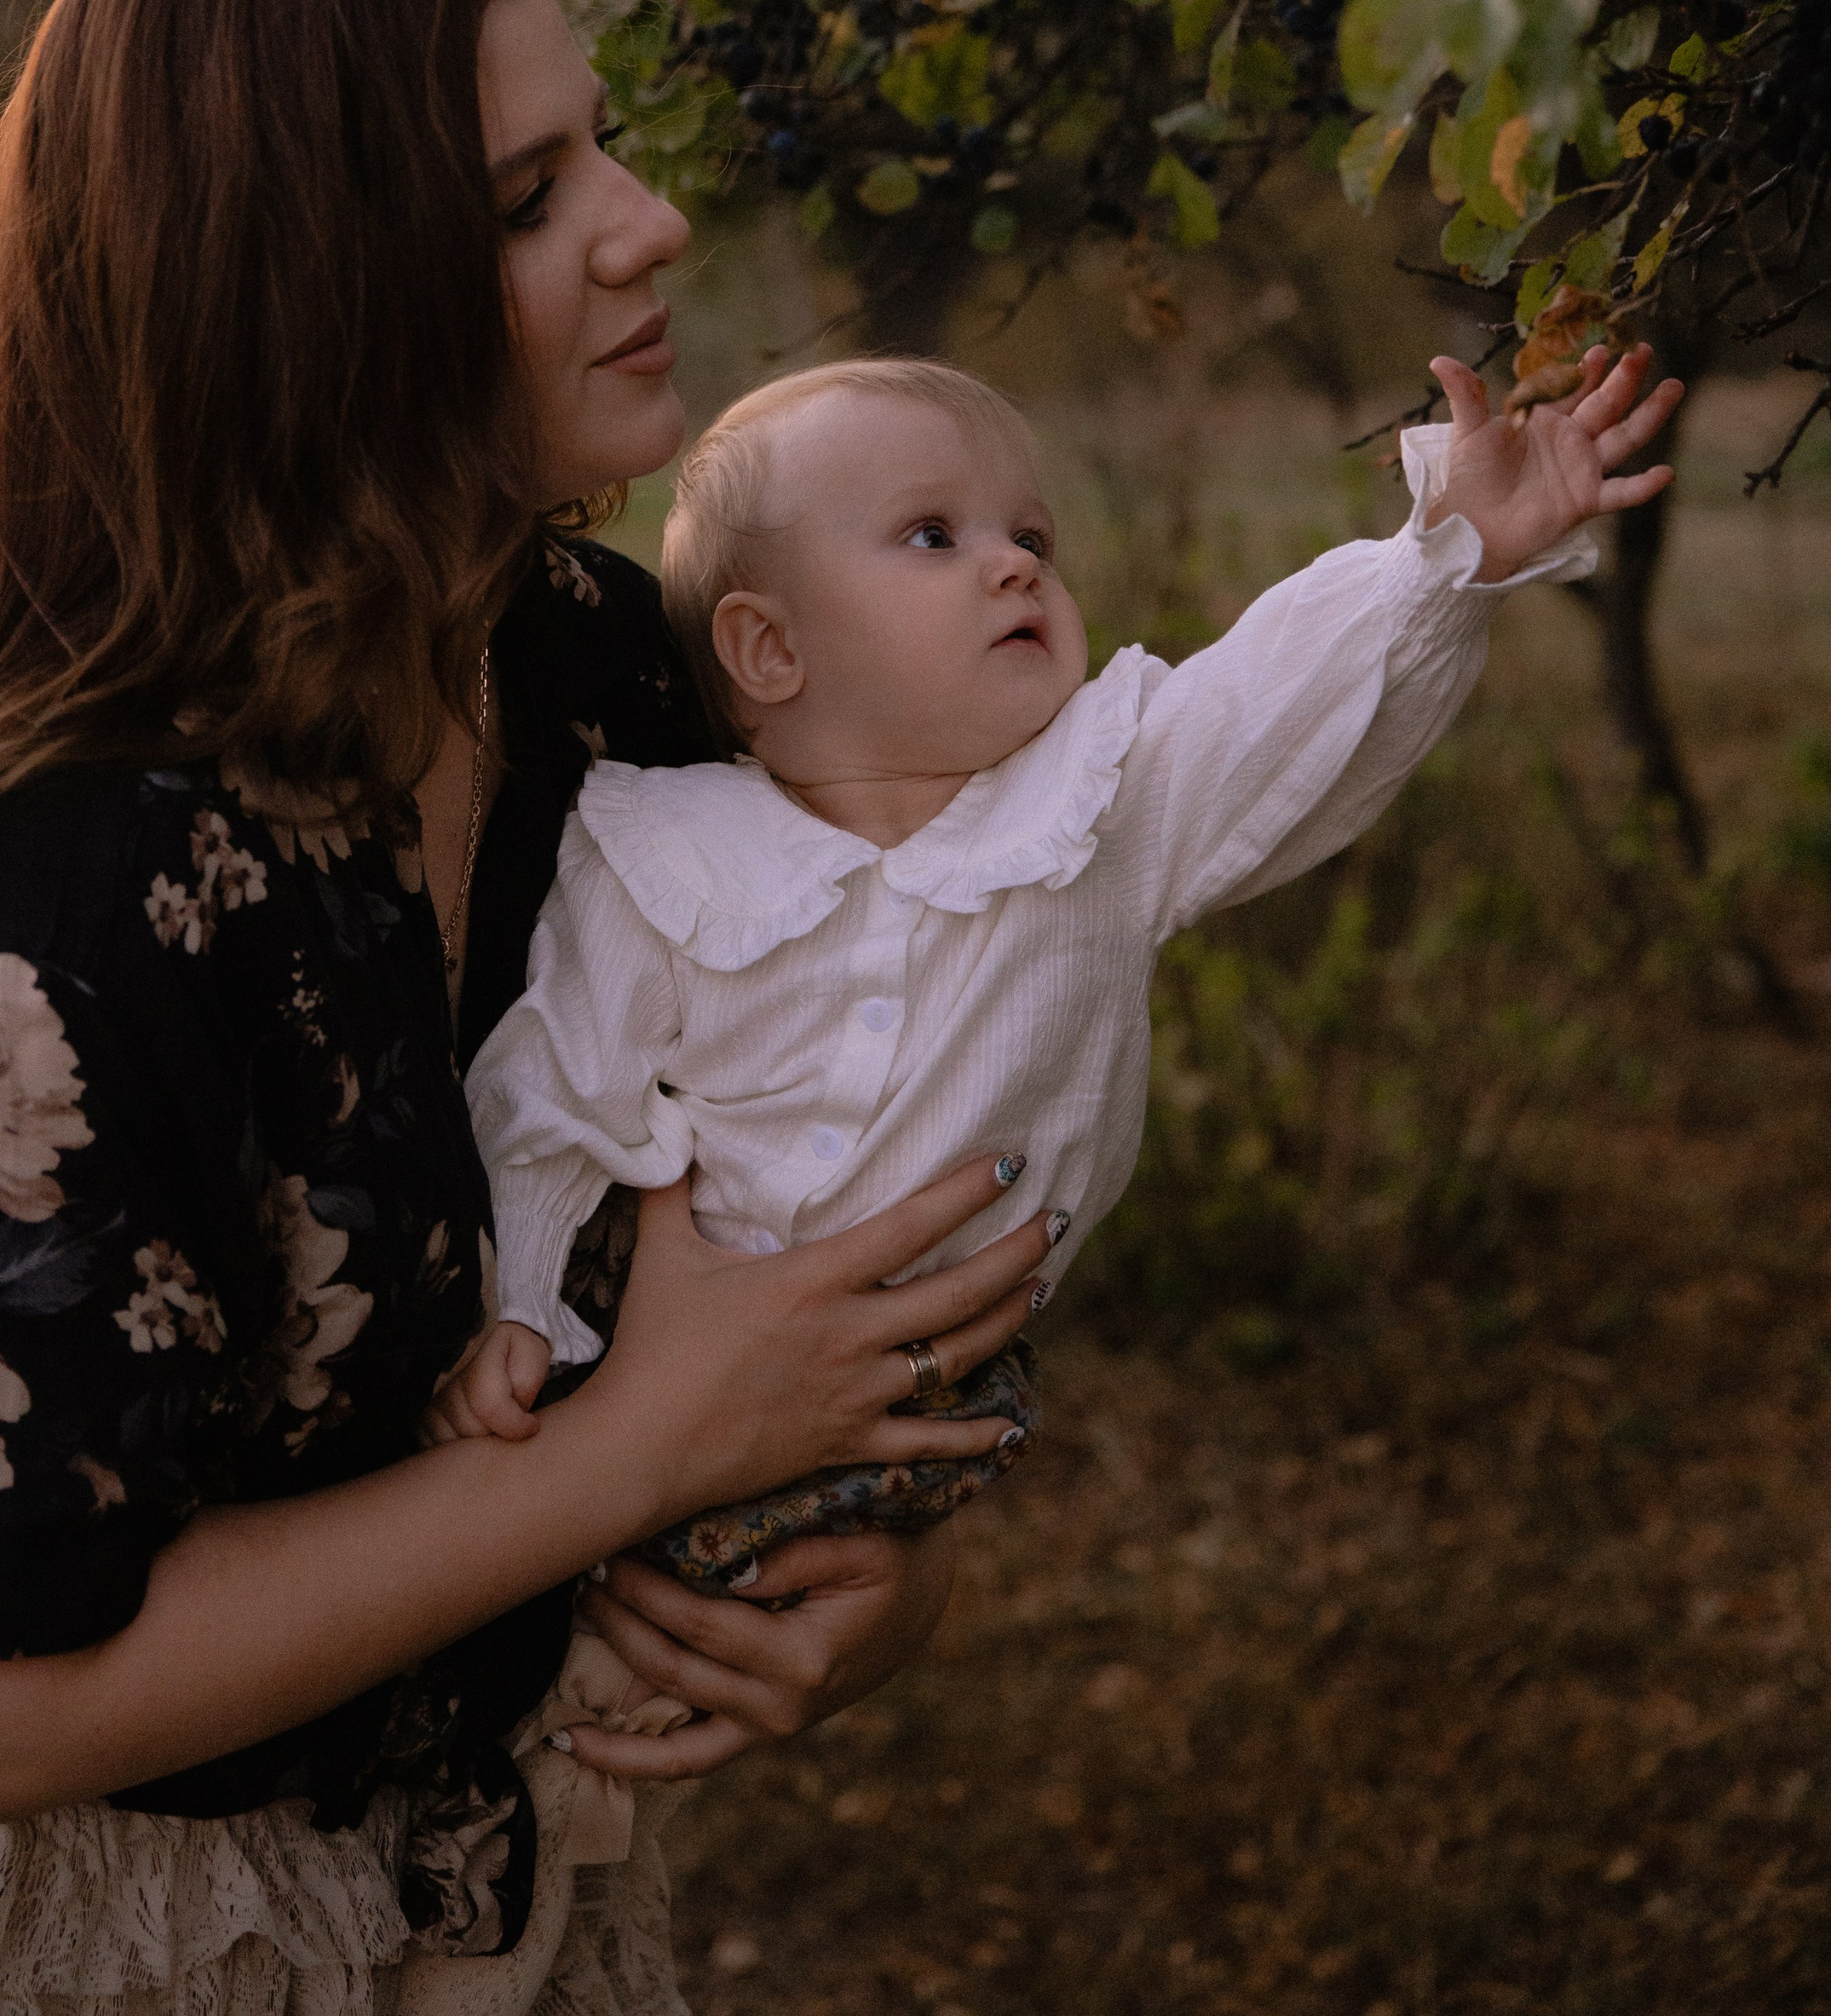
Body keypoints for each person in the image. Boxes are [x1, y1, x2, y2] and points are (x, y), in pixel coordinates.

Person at [0, 0, 1048, 2016]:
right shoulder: (24, 920)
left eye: (603, 150)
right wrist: (647, 1448)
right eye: (524, 197)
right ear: (300, 294)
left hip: (428, 1849)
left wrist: (863, 1585)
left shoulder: (597, 670)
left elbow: (809, 1186)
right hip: (9, 1929)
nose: (647, 223)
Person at [430, 341, 1680, 1712]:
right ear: (767, 646)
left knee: (645, 1681)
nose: (1015, 563)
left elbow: (1271, 702)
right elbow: (556, 1084)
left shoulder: (1100, 804)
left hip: (910, 1428)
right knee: (534, 1660)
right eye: (933, 534)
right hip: (626, 1374)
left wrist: (1447, 548)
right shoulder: (656, 845)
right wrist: (518, 1311)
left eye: (1032, 534)